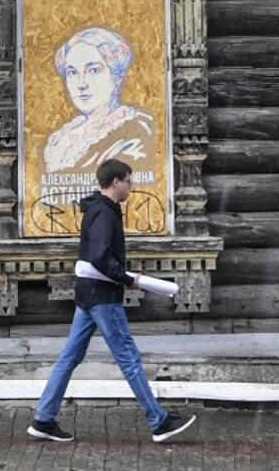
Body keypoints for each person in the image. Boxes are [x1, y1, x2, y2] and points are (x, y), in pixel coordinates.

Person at [28, 158, 196, 444]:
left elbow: (94, 257)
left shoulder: (95, 209)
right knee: (129, 358)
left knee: (69, 358)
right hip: (103, 296)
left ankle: (44, 419)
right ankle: (159, 421)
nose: (132, 186)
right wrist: (127, 279)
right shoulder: (105, 213)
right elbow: (100, 257)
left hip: (89, 293)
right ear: (115, 181)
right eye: (129, 180)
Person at [43, 27, 155, 175]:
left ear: (117, 76)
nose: (81, 84)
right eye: (72, 72)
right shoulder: (63, 136)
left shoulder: (136, 128)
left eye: (93, 70)